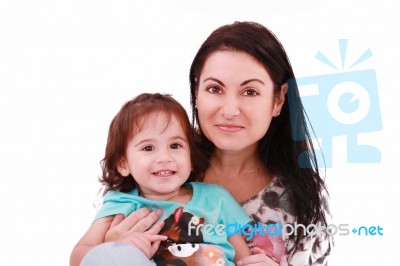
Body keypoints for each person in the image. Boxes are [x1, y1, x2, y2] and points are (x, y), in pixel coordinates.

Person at [73, 21, 333, 266]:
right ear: (196, 92)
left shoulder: (301, 197)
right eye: (215, 89)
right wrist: (111, 247)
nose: (229, 110)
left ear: (278, 100)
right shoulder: (150, 172)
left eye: (250, 91)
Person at [70, 93, 252, 266]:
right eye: (148, 148)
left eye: (175, 145)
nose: (164, 157)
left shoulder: (216, 198)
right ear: (123, 163)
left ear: (191, 158)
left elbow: (244, 258)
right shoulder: (121, 203)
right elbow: (79, 257)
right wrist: (115, 246)